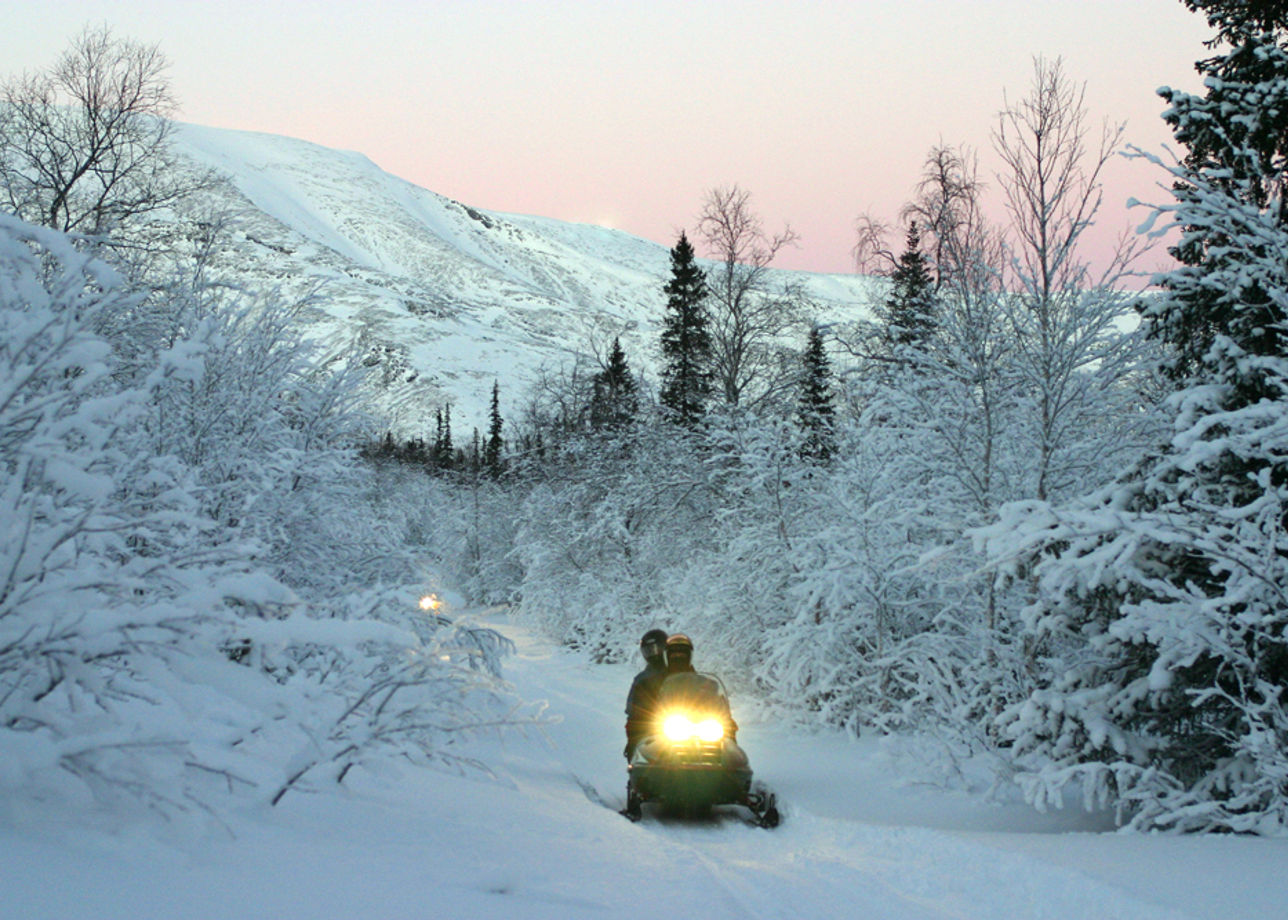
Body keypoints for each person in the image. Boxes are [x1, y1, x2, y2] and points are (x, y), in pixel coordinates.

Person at [659, 633, 737, 742]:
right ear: (667, 657)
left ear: (689, 656)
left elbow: (719, 706)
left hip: (703, 733)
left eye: (682, 655)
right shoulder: (654, 683)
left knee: (734, 756)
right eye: (674, 655)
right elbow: (642, 713)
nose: (678, 658)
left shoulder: (706, 683)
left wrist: (728, 724)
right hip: (666, 736)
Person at [623, 629, 669, 760]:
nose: (653, 654)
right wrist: (634, 739)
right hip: (654, 730)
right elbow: (632, 710)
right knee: (642, 760)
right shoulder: (642, 679)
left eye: (656, 649)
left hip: (684, 724)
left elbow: (697, 692)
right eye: (648, 650)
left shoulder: (681, 672)